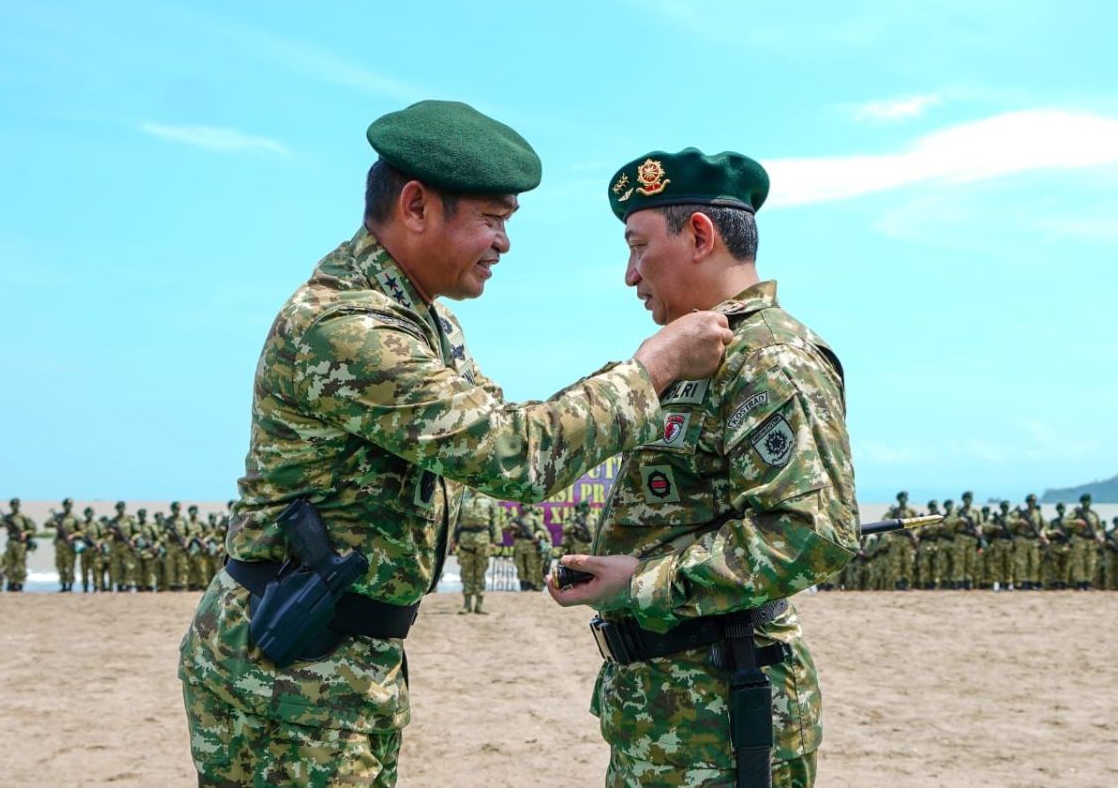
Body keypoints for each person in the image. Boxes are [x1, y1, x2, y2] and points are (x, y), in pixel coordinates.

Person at [176, 100, 734, 786]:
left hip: (337, 663)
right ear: (416, 206)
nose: (503, 243)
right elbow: (512, 453)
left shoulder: (423, 319)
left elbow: (506, 418)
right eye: (492, 221)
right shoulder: (347, 327)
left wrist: (645, 365)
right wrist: (656, 366)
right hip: (288, 673)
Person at [549, 148, 858, 787]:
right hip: (670, 712)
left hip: (723, 717)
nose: (630, 275)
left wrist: (638, 582)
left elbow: (809, 533)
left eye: (638, 246)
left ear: (698, 236)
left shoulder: (769, 358)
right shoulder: (694, 354)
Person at [451, 487, 502, 614]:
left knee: (480, 572)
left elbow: (495, 520)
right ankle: (467, 604)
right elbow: (455, 520)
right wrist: (453, 539)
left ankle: (479, 604)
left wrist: (494, 541)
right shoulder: (462, 497)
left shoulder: (489, 498)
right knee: (466, 572)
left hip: (483, 539)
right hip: (465, 539)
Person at [0, 498, 36, 591]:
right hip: (11, 542)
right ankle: (11, 582)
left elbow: (33, 529)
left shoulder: (24, 517)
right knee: (10, 563)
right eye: (13, 505)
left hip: (21, 543)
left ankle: (20, 583)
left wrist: (25, 533)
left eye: (16, 505)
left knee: (20, 564)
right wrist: (5, 523)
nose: (15, 507)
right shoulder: (8, 517)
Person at [44, 498, 83, 592]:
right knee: (60, 565)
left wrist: (73, 535)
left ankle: (70, 586)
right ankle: (63, 585)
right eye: (66, 505)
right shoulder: (59, 516)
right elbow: (46, 524)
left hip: (70, 545)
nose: (67, 507)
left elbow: (82, 531)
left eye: (69, 505)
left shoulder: (76, 518)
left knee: (70, 566)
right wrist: (55, 524)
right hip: (60, 544)